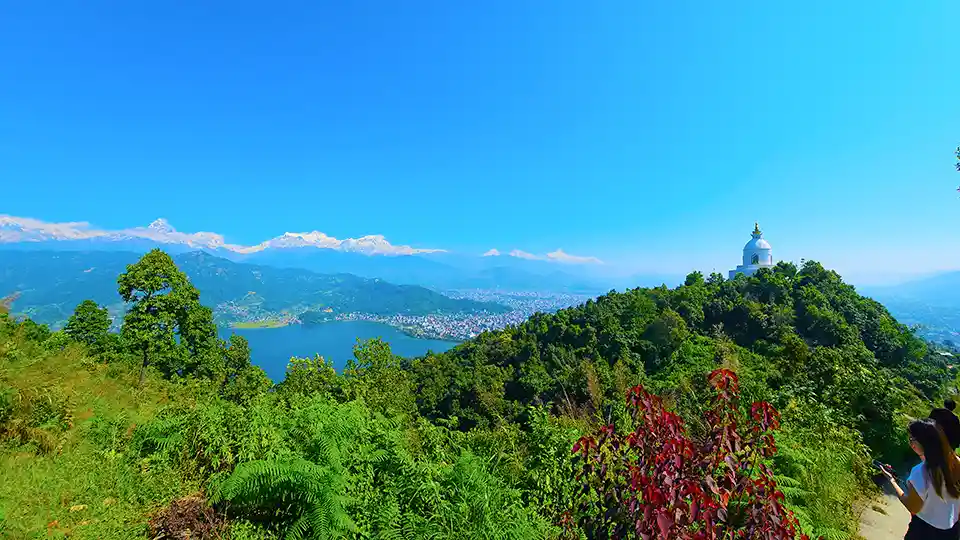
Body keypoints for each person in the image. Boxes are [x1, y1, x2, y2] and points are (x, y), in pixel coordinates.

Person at [883, 419, 960, 539]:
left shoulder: (920, 471)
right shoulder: (956, 463)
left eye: (912, 440)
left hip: (924, 531)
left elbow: (913, 506)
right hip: (951, 531)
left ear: (924, 443)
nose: (911, 444)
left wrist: (892, 481)